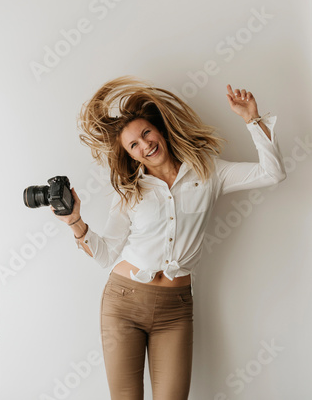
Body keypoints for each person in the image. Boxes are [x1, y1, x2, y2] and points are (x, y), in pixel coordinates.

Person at [50, 75, 287, 400]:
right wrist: (75, 221)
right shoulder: (131, 191)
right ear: (130, 155)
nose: (145, 145)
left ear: (160, 129)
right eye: (134, 144)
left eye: (146, 133)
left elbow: (271, 173)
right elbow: (106, 256)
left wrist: (252, 120)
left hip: (175, 310)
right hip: (123, 303)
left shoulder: (208, 171)